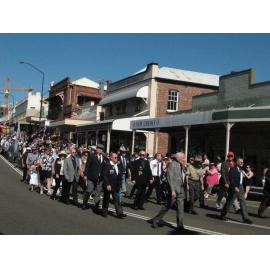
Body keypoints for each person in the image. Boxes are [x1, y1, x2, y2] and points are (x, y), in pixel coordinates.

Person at [149, 152, 186, 232]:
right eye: (183, 158)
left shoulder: (182, 165)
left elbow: (184, 175)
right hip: (174, 190)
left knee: (180, 208)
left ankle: (180, 225)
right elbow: (169, 178)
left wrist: (184, 167)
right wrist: (172, 190)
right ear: (178, 158)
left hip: (181, 190)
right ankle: (156, 220)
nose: (184, 159)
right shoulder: (172, 164)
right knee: (167, 207)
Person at [220, 158, 252, 224]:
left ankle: (246, 218)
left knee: (243, 202)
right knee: (230, 202)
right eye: (240, 162)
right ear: (237, 162)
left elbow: (243, 179)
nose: (242, 163)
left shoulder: (241, 170)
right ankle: (223, 215)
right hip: (234, 187)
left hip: (241, 187)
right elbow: (231, 178)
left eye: (242, 162)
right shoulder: (232, 169)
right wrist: (234, 187)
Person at [101, 152, 127, 218]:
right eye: (115, 157)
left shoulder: (117, 165)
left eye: (117, 157)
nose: (116, 158)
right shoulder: (107, 164)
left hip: (116, 186)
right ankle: (104, 212)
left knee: (117, 200)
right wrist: (107, 184)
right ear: (111, 158)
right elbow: (104, 175)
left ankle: (120, 213)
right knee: (106, 199)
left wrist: (120, 184)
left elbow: (119, 175)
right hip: (108, 186)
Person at [81, 144, 106, 212]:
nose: (100, 150)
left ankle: (96, 206)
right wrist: (85, 175)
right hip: (91, 177)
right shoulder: (91, 156)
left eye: (101, 149)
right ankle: (84, 203)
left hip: (100, 178)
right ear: (96, 149)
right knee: (89, 190)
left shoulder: (104, 157)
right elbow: (87, 166)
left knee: (98, 193)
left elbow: (105, 167)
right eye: (99, 148)